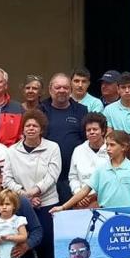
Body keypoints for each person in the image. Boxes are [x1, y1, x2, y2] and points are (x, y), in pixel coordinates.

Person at [4, 110, 62, 258]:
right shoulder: (12, 151)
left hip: (47, 203)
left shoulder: (53, 148)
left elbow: (53, 175)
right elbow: (7, 178)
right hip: (21, 205)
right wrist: (25, 197)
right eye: (28, 125)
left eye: (35, 126)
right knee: (22, 246)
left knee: (47, 248)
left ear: (41, 129)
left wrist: (35, 192)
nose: (31, 128)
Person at [40, 73, 87, 203]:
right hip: (46, 177)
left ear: (71, 90)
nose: (62, 90)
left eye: (66, 88)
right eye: (58, 87)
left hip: (72, 178)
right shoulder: (41, 110)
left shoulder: (81, 111)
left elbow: (87, 141)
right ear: (50, 90)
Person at [68, 112, 111, 196]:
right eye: (88, 130)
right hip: (82, 198)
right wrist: (78, 193)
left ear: (103, 131)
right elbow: (73, 177)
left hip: (106, 197)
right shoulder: (78, 150)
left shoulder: (112, 149)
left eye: (95, 129)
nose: (91, 132)